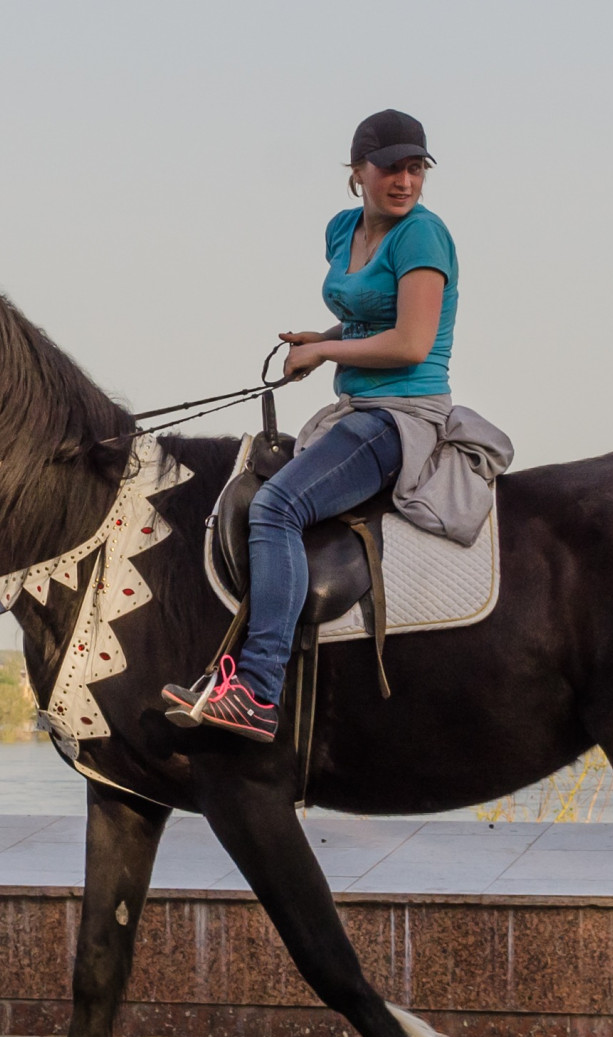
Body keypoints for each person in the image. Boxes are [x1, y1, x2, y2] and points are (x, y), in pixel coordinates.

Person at [164, 109, 464, 743]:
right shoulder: (341, 230)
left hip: (402, 415)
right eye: (391, 168)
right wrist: (322, 337)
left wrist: (325, 354)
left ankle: (259, 690)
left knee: (276, 508)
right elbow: (367, 320)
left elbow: (411, 343)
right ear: (357, 173)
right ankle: (225, 669)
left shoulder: (423, 238)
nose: (404, 182)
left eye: (416, 169)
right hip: (355, 410)